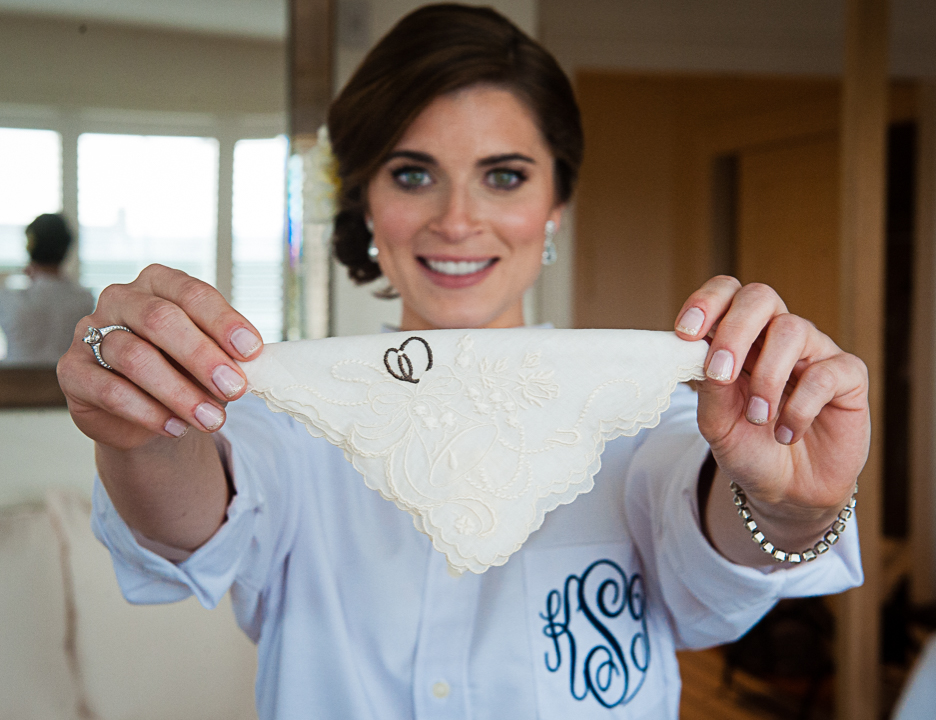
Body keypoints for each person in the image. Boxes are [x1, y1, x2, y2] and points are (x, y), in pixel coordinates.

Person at [56, 6, 868, 718]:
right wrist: (146, 423)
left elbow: (712, 557)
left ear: (554, 205)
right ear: (367, 201)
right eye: (414, 174)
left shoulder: (650, 417)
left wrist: (793, 505)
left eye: (503, 176)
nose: (456, 219)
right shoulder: (287, 419)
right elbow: (193, 526)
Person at [0, 213, 94, 364]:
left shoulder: (9, 299)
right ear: (66, 249)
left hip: (14, 384)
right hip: (64, 384)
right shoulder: (85, 299)